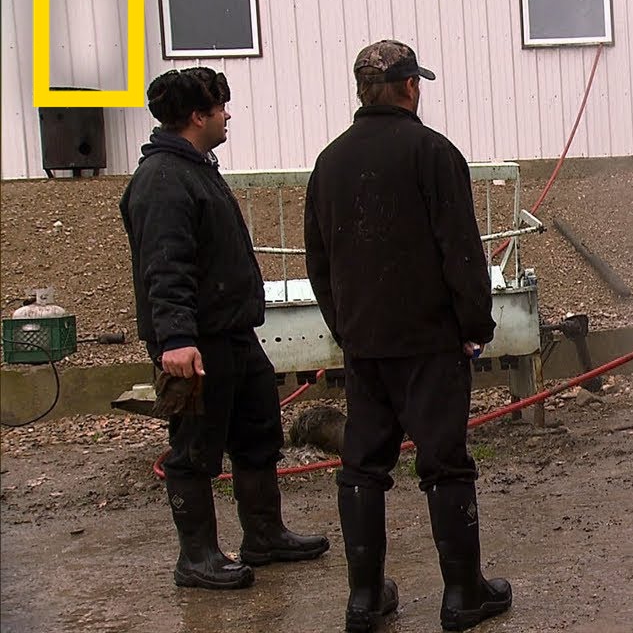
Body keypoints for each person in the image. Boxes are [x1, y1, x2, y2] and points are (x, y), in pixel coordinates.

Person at [304, 40, 511, 633]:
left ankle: (364, 600)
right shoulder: (432, 152)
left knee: (363, 467)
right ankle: (462, 596)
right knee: (445, 465)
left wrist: (345, 327)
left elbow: (319, 259)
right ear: (409, 87)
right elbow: (460, 250)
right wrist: (474, 326)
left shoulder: (330, 161)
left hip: (364, 343)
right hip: (429, 343)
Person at [120, 67, 330, 590]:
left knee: (258, 435)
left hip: (234, 334)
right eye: (221, 108)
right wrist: (175, 339)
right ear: (198, 116)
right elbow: (164, 265)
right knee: (193, 450)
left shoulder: (195, 168)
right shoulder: (164, 179)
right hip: (198, 342)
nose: (228, 115)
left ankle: (264, 536)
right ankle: (197, 557)